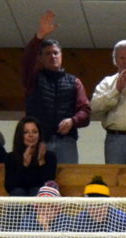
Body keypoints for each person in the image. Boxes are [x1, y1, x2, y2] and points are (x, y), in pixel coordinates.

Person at [21, 10, 91, 164]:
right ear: (40, 58)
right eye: (47, 54)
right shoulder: (33, 78)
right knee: (39, 184)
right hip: (39, 141)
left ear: (61, 56)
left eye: (55, 53)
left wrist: (72, 121)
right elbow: (27, 60)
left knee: (69, 181)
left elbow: (85, 111)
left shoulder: (74, 82)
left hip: (66, 142)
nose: (52, 56)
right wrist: (39, 36)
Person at [4, 116, 57, 196]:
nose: (31, 135)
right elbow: (10, 187)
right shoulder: (11, 157)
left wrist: (41, 161)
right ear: (20, 135)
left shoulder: (49, 156)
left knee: (37, 191)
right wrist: (24, 165)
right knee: (18, 192)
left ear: (39, 135)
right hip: (19, 200)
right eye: (26, 132)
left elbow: (48, 185)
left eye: (35, 132)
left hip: (39, 201)